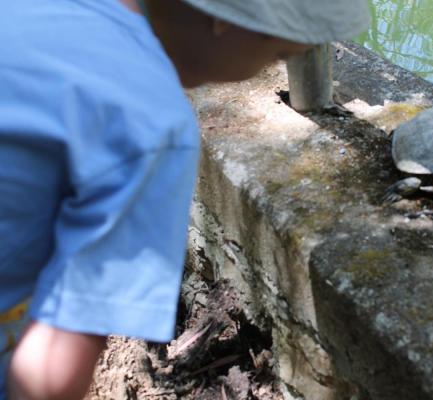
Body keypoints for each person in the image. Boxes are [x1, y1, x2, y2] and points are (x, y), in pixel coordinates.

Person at [0, 0, 369, 399]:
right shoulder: (150, 120)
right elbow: (49, 374)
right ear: (225, 21)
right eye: (277, 54)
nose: (263, 70)